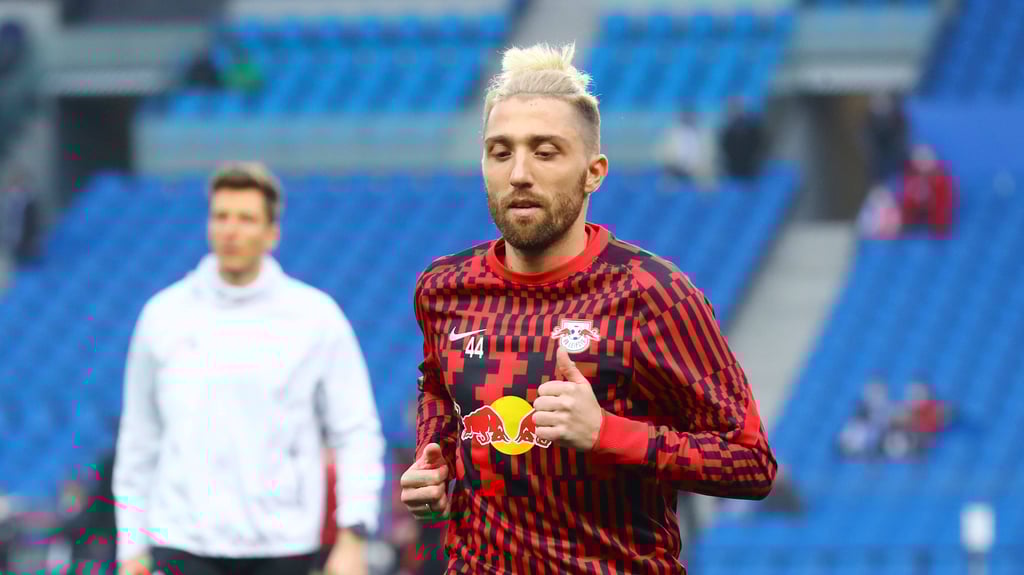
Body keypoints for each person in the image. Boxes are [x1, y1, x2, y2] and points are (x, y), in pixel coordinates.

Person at [399, 43, 777, 574]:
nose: (519, 174)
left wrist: (608, 434)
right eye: (500, 151)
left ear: (594, 171)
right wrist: (432, 458)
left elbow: (751, 462)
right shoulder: (443, 289)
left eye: (546, 151)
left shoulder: (654, 296)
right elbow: (437, 385)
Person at [113, 162, 385, 575]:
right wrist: (130, 547)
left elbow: (356, 432)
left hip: (284, 545)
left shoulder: (315, 319)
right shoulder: (163, 316)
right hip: (181, 542)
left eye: (246, 218)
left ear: (272, 233)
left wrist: (353, 534)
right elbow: (139, 440)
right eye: (221, 216)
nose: (231, 230)